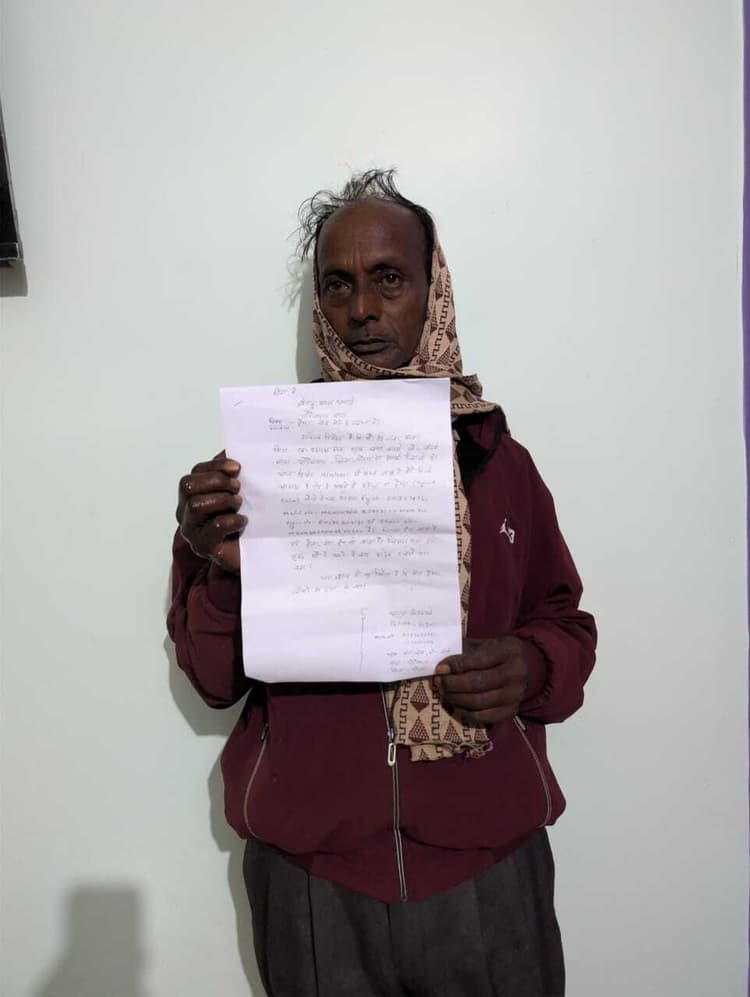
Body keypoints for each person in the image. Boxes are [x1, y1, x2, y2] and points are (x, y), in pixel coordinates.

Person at [168, 169, 597, 997]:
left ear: (434, 289)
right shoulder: (250, 476)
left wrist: (532, 663)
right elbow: (214, 679)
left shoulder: (501, 463)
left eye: (388, 278)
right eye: (338, 285)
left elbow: (565, 623)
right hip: (315, 884)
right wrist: (214, 564)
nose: (361, 309)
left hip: (486, 870)